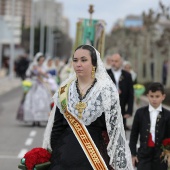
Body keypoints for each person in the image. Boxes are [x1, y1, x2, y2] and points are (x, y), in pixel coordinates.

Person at [42, 45, 133, 170]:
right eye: (75, 60)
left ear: (94, 64)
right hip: (63, 158)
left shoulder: (106, 91)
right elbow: (57, 128)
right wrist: (55, 155)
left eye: (83, 60)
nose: (78, 64)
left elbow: (115, 131)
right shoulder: (64, 91)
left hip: (94, 157)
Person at [129, 82, 170, 170]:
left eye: (157, 96)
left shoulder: (167, 115)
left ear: (163, 97)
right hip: (143, 154)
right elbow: (134, 134)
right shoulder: (140, 113)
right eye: (151, 96)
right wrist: (133, 153)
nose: (154, 99)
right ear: (148, 96)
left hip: (161, 156)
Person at [23, 52, 51, 126]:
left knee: (41, 101)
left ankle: (39, 119)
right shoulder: (32, 66)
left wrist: (41, 73)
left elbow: (47, 76)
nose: (42, 62)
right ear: (37, 60)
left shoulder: (44, 67)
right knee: (32, 101)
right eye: (40, 60)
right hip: (33, 85)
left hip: (41, 85)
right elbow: (28, 74)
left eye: (43, 60)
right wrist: (34, 72)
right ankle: (33, 119)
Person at [107, 53, 134, 131]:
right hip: (107, 109)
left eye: (116, 61)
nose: (114, 63)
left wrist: (129, 110)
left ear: (121, 62)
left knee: (120, 132)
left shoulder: (127, 75)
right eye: (112, 61)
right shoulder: (105, 74)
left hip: (121, 108)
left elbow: (130, 94)